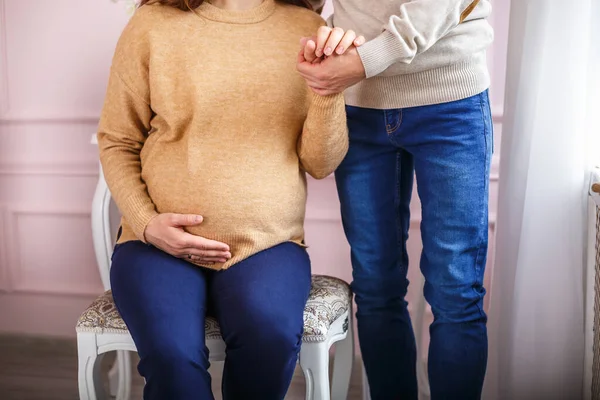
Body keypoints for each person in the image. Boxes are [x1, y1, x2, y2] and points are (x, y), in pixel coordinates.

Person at [96, 0, 353, 398]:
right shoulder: (152, 24)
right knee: (172, 357)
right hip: (155, 246)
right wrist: (147, 224)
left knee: (269, 335)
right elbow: (117, 140)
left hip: (267, 245)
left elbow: (320, 163)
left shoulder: (307, 27)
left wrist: (326, 89)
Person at [297, 1, 494, 399]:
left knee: (455, 290)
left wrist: (364, 60)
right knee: (375, 286)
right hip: (358, 105)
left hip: (450, 100)